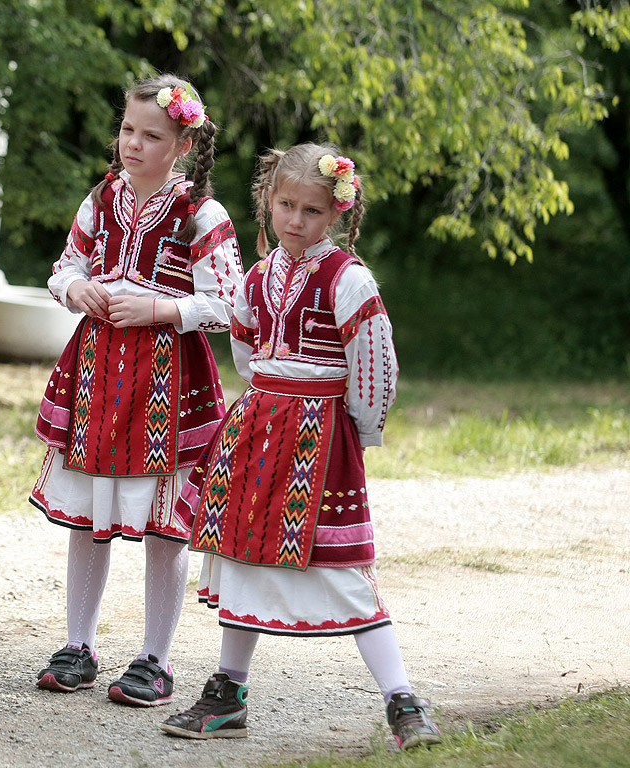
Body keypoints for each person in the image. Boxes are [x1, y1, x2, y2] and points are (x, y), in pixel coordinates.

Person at [160, 143, 443, 749]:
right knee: (240, 557)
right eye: (286, 204)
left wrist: (361, 433)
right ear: (268, 199)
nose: (295, 220)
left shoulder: (349, 280)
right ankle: (228, 691)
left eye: (312, 210)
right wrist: (266, 392)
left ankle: (401, 699)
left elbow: (374, 365)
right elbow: (243, 349)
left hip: (321, 437)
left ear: (336, 213)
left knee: (343, 571)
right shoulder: (256, 277)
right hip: (258, 430)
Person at [30, 74, 244, 707]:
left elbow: (229, 301)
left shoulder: (201, 213)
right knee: (87, 516)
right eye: (127, 129)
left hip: (168, 382)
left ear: (180, 144)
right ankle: (78, 644)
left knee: (164, 523)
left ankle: (155, 658)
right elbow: (63, 266)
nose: (133, 144)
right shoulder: (101, 199)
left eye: (152, 135)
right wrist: (76, 290)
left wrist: (158, 308)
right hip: (97, 374)